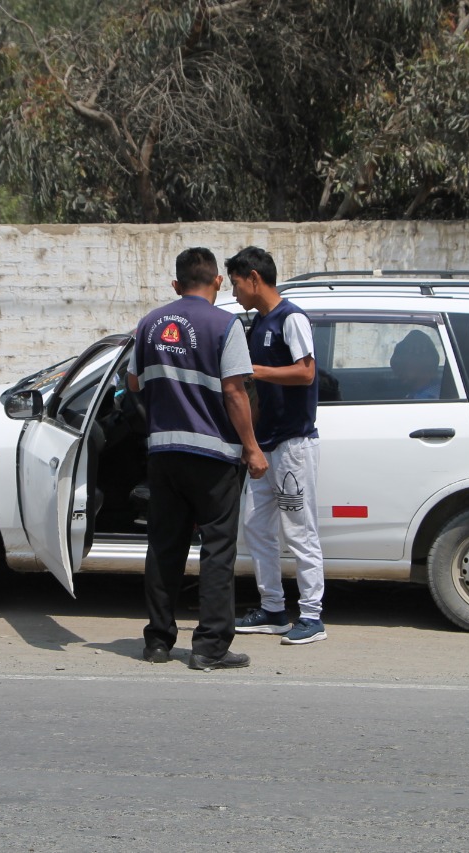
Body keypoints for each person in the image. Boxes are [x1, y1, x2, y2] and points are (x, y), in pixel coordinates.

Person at [127, 247, 267, 671]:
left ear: (176, 284)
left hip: (164, 454)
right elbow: (235, 392)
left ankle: (157, 642)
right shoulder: (226, 324)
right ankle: (209, 647)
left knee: (164, 548)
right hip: (213, 456)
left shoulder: (149, 324)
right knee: (217, 550)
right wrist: (252, 446)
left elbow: (133, 381)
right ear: (218, 282)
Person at [227, 246, 327, 645]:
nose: (235, 293)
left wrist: (257, 370)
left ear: (254, 278)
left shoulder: (292, 318)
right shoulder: (258, 324)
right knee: (255, 527)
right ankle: (272, 609)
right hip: (264, 447)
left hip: (291, 448)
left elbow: (306, 372)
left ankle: (312, 616)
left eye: (236, 283)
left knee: (299, 530)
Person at [390, 329, 442, 400]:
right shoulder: (419, 393)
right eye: (396, 367)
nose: (396, 373)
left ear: (424, 364)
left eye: (403, 365)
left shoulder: (428, 400)